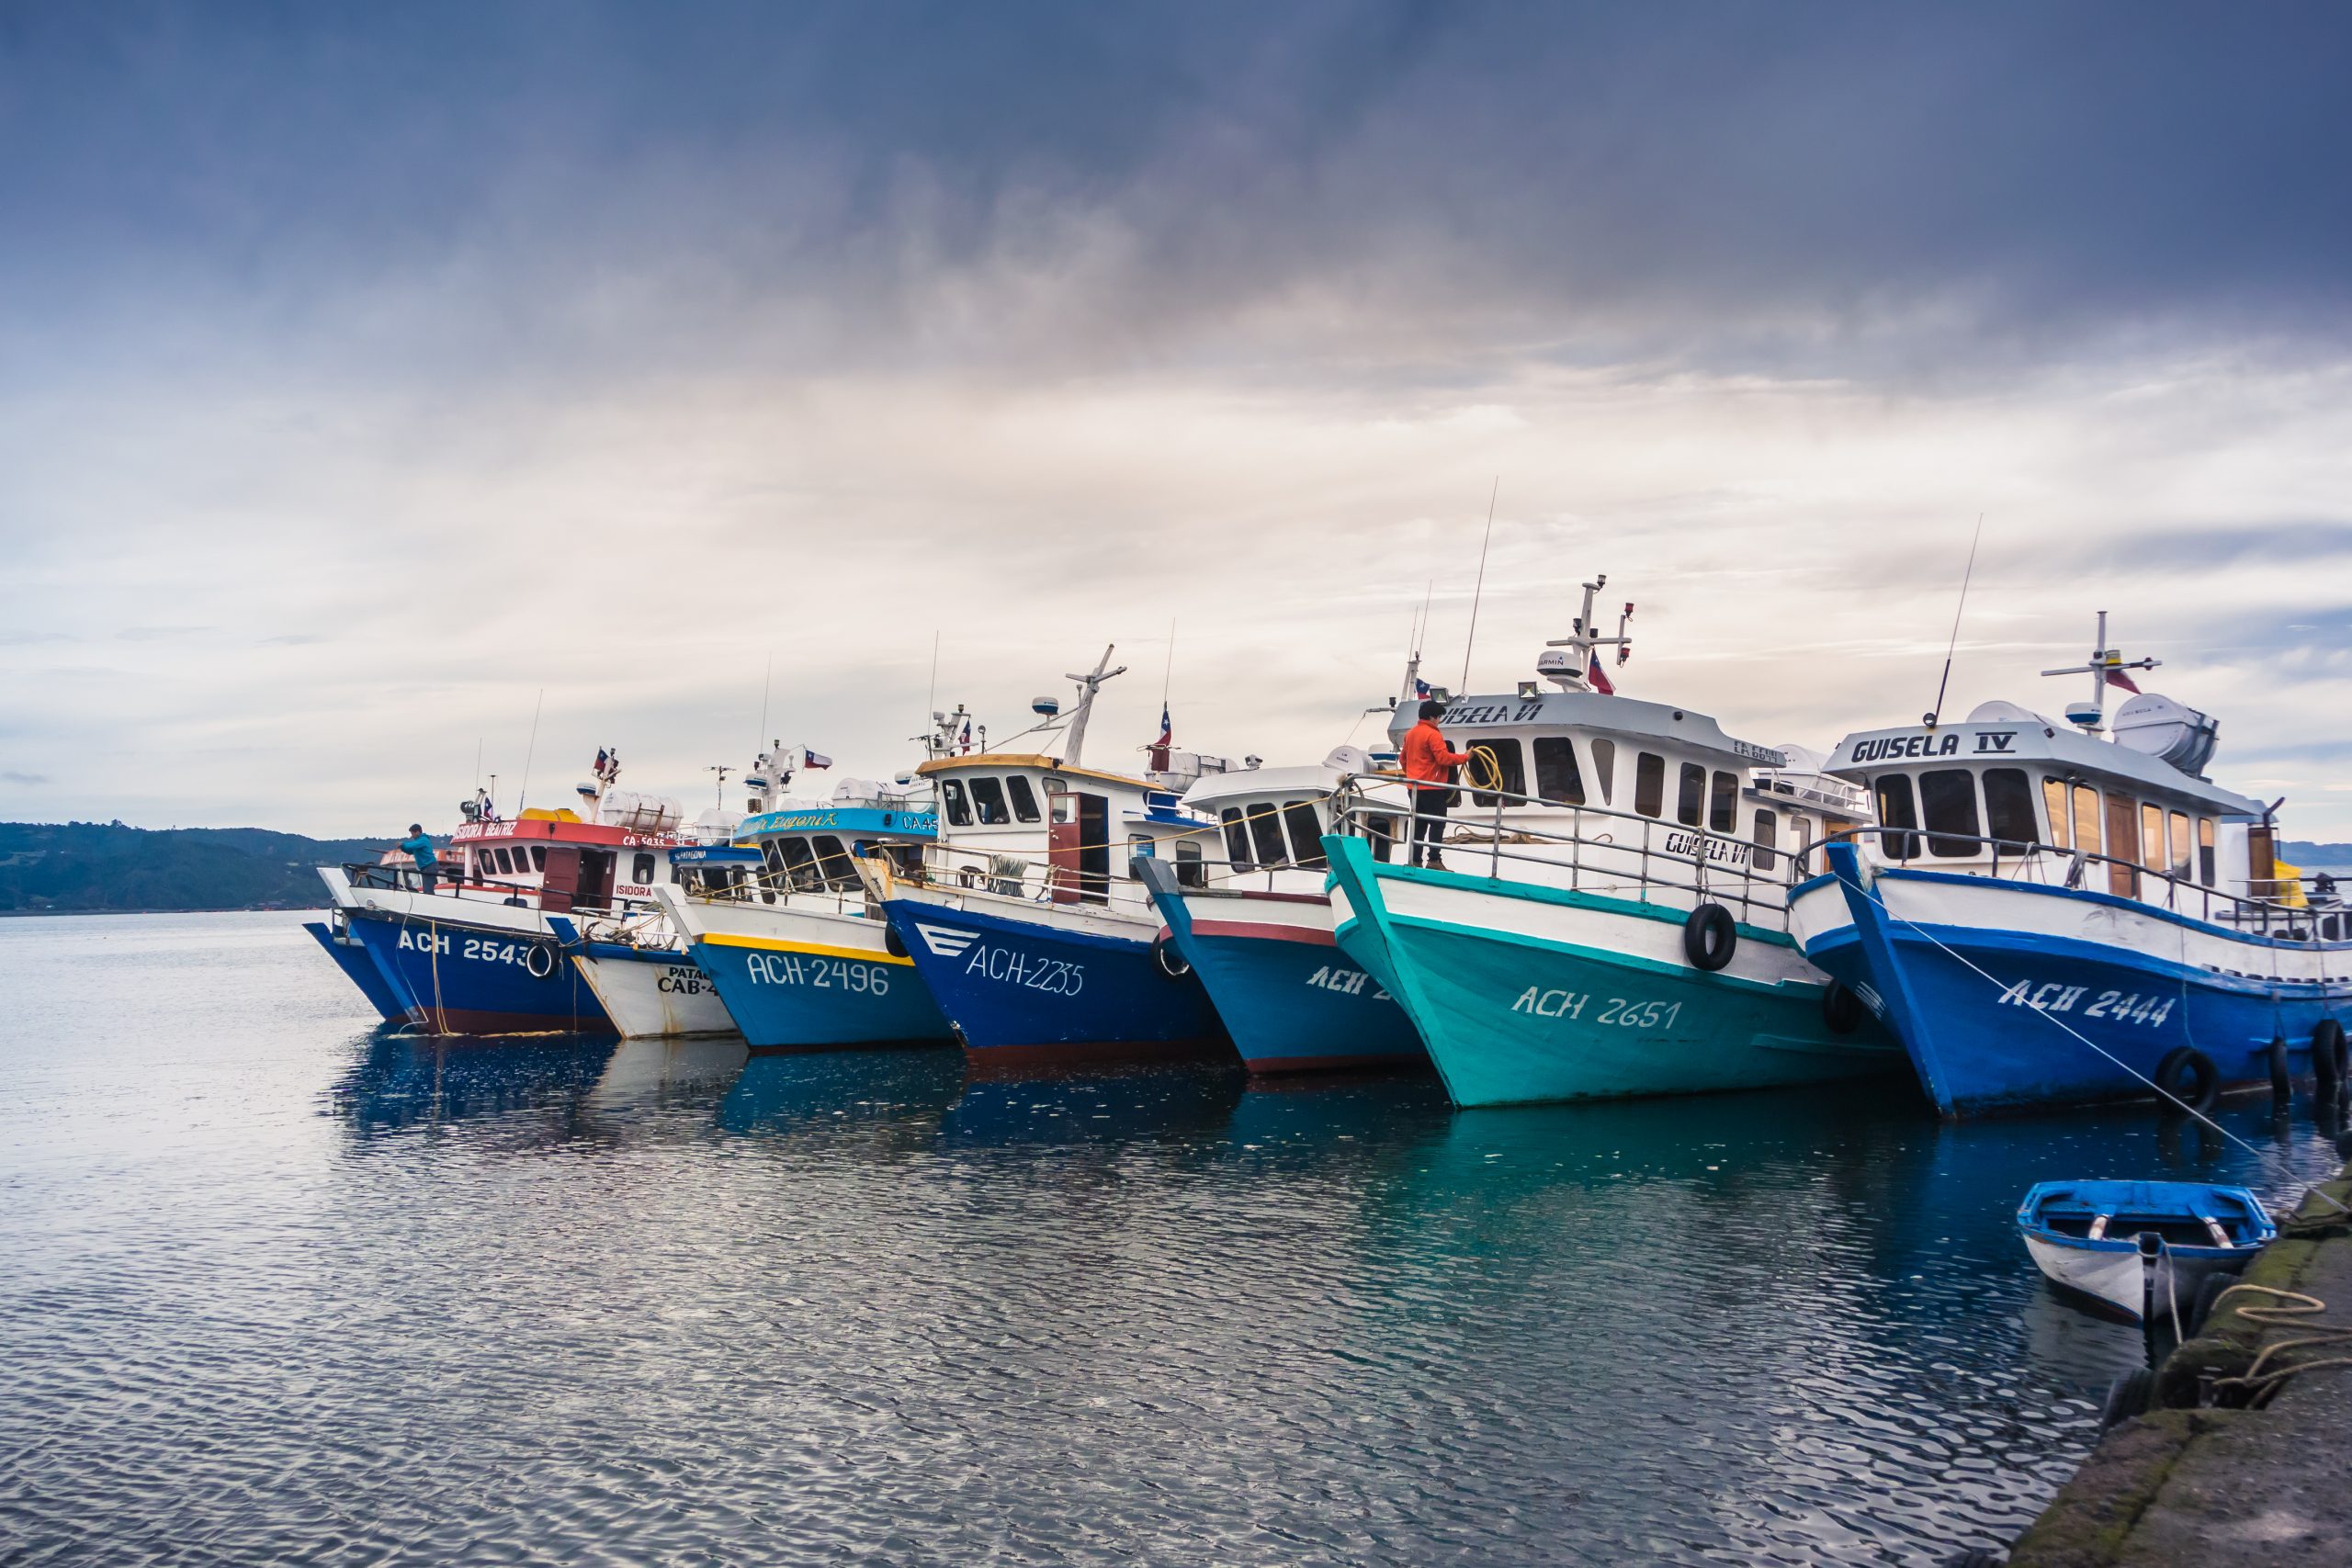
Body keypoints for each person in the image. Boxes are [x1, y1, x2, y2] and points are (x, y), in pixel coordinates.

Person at [1401, 699, 1472, 869]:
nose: (1440, 720)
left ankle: (1415, 860)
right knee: (1437, 823)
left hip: (1415, 788)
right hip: (1432, 788)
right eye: (1439, 717)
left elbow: (1403, 759)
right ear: (1432, 717)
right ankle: (1434, 860)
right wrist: (1465, 757)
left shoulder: (1410, 734)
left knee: (1419, 824)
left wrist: (1412, 775)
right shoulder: (1433, 734)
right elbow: (1443, 758)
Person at [399, 823, 440, 896]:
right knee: (427, 889)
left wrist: (403, 845)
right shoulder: (419, 842)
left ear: (417, 832)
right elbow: (410, 851)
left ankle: (430, 902)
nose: (412, 836)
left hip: (429, 866)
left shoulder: (423, 840)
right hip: (426, 867)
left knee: (428, 889)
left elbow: (412, 845)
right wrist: (402, 847)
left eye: (412, 833)